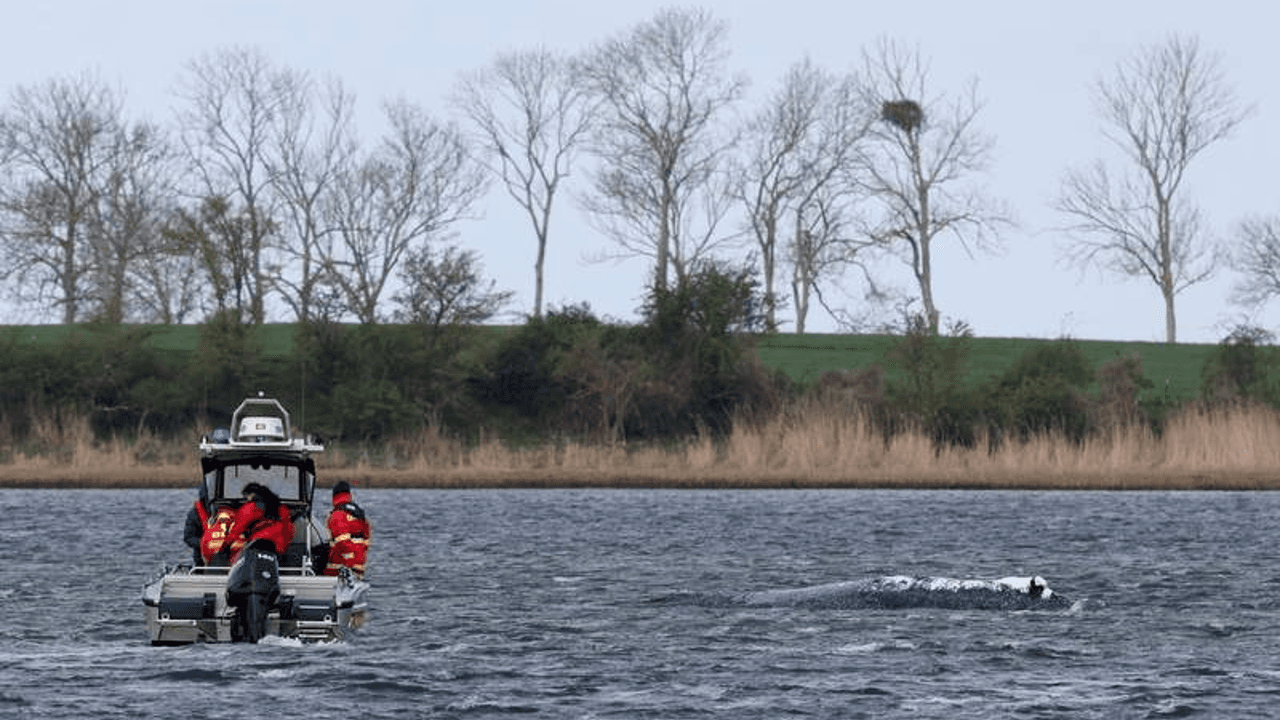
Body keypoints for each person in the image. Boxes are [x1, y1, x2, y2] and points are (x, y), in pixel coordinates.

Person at [324, 481, 371, 577]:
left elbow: (342, 540)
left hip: (342, 565)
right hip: (359, 563)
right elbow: (366, 536)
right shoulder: (357, 513)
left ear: (334, 496)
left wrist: (347, 559)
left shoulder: (337, 514)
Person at [183, 481, 211, 566]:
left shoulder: (227, 512)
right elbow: (188, 538)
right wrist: (205, 543)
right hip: (202, 559)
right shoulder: (194, 514)